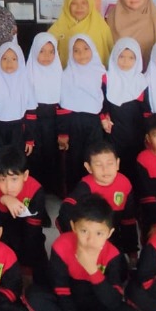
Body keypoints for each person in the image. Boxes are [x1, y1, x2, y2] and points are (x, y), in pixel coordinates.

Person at [25, 195, 136, 311]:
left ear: (109, 233)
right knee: (34, 295)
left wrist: (93, 271)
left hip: (95, 304)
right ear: (74, 227)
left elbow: (113, 301)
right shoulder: (61, 246)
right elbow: (62, 293)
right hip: (68, 298)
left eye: (99, 233)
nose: (91, 240)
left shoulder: (113, 255)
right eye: (84, 231)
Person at [0, 147, 50, 284]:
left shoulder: (36, 190)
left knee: (37, 252)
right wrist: (3, 200)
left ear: (25, 175)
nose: (8, 186)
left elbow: (33, 231)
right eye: (2, 179)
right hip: (0, 228)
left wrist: (27, 265)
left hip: (26, 229)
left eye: (14, 179)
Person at [57, 140, 136, 260]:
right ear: (88, 167)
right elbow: (66, 209)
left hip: (111, 233)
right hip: (91, 235)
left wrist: (132, 250)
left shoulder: (125, 184)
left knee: (118, 265)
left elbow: (128, 219)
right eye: (98, 165)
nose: (105, 169)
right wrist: (78, 239)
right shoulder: (85, 186)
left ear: (118, 164)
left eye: (110, 163)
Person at [57, 34, 109, 193]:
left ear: (93, 49)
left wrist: (104, 118)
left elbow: (105, 99)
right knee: (74, 158)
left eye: (86, 49)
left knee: (94, 156)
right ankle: (75, 193)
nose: (82, 54)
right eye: (76, 50)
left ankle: (93, 192)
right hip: (73, 123)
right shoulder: (67, 75)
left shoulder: (101, 73)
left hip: (94, 123)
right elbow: (62, 105)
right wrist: (63, 132)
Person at [0, 41, 36, 159]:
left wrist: (29, 139)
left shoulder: (25, 84)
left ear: (20, 61)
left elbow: (31, 114)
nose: (9, 63)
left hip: (19, 129)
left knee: (17, 161)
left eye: (14, 59)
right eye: (4, 58)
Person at [26, 31, 63, 196]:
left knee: (52, 154)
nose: (47, 56)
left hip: (54, 122)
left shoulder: (60, 74)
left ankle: (52, 189)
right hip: (34, 122)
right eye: (42, 51)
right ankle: (36, 192)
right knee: (35, 156)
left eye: (51, 51)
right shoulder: (27, 74)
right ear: (34, 51)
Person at [104, 37, 147, 170]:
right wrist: (104, 117)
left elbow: (145, 109)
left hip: (135, 131)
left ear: (137, 59)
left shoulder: (141, 81)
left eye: (131, 58)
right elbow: (102, 103)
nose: (125, 61)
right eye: (121, 56)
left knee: (135, 162)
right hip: (113, 131)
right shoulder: (107, 78)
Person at [48, 0, 113, 67]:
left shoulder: (101, 26)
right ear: (67, 5)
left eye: (84, 3)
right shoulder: (58, 27)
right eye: (74, 3)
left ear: (90, 4)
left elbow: (112, 51)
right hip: (67, 73)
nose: (79, 7)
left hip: (97, 73)